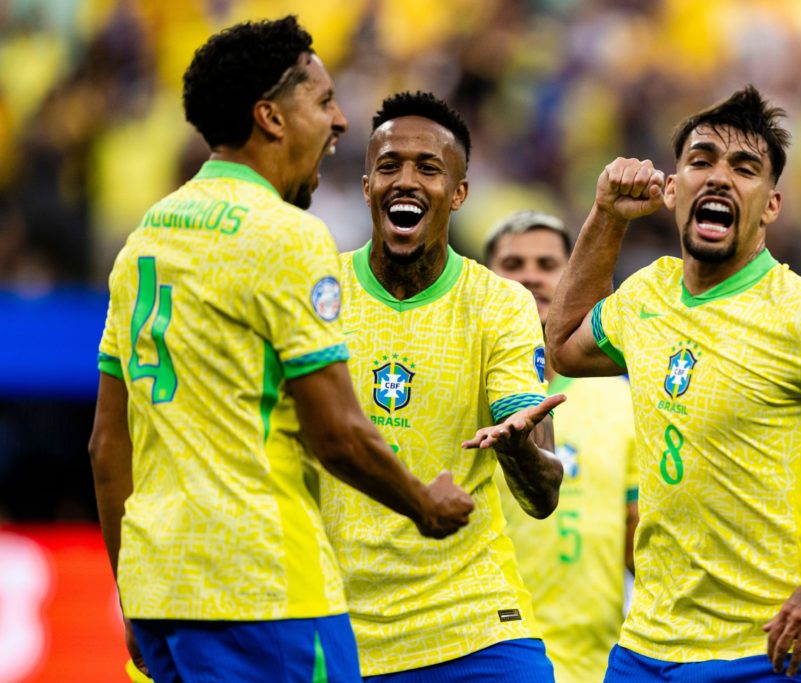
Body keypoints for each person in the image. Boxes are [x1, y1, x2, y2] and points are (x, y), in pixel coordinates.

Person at [89, 18, 474, 683]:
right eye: (322, 101)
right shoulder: (288, 237)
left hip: (160, 596)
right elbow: (338, 435)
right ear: (270, 116)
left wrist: (135, 594)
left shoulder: (145, 241)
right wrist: (424, 503)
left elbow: (106, 446)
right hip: (267, 590)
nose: (341, 121)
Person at [544, 85, 801, 682]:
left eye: (744, 169)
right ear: (673, 190)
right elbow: (561, 345)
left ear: (770, 205)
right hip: (644, 652)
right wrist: (606, 218)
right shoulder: (646, 293)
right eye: (701, 161)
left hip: (771, 653)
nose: (719, 178)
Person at [317, 91, 565, 683]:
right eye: (388, 166)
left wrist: (518, 452)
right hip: (338, 626)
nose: (405, 181)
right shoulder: (319, 293)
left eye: (427, 168)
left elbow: (542, 495)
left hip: (473, 625)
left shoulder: (498, 304)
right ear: (366, 186)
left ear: (458, 193)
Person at [484, 209, 639, 683]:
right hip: (485, 652)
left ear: (572, 276)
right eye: (512, 264)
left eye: (547, 264)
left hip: (594, 661)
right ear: (485, 280)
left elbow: (638, 537)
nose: (530, 276)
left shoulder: (622, 398)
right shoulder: (458, 391)